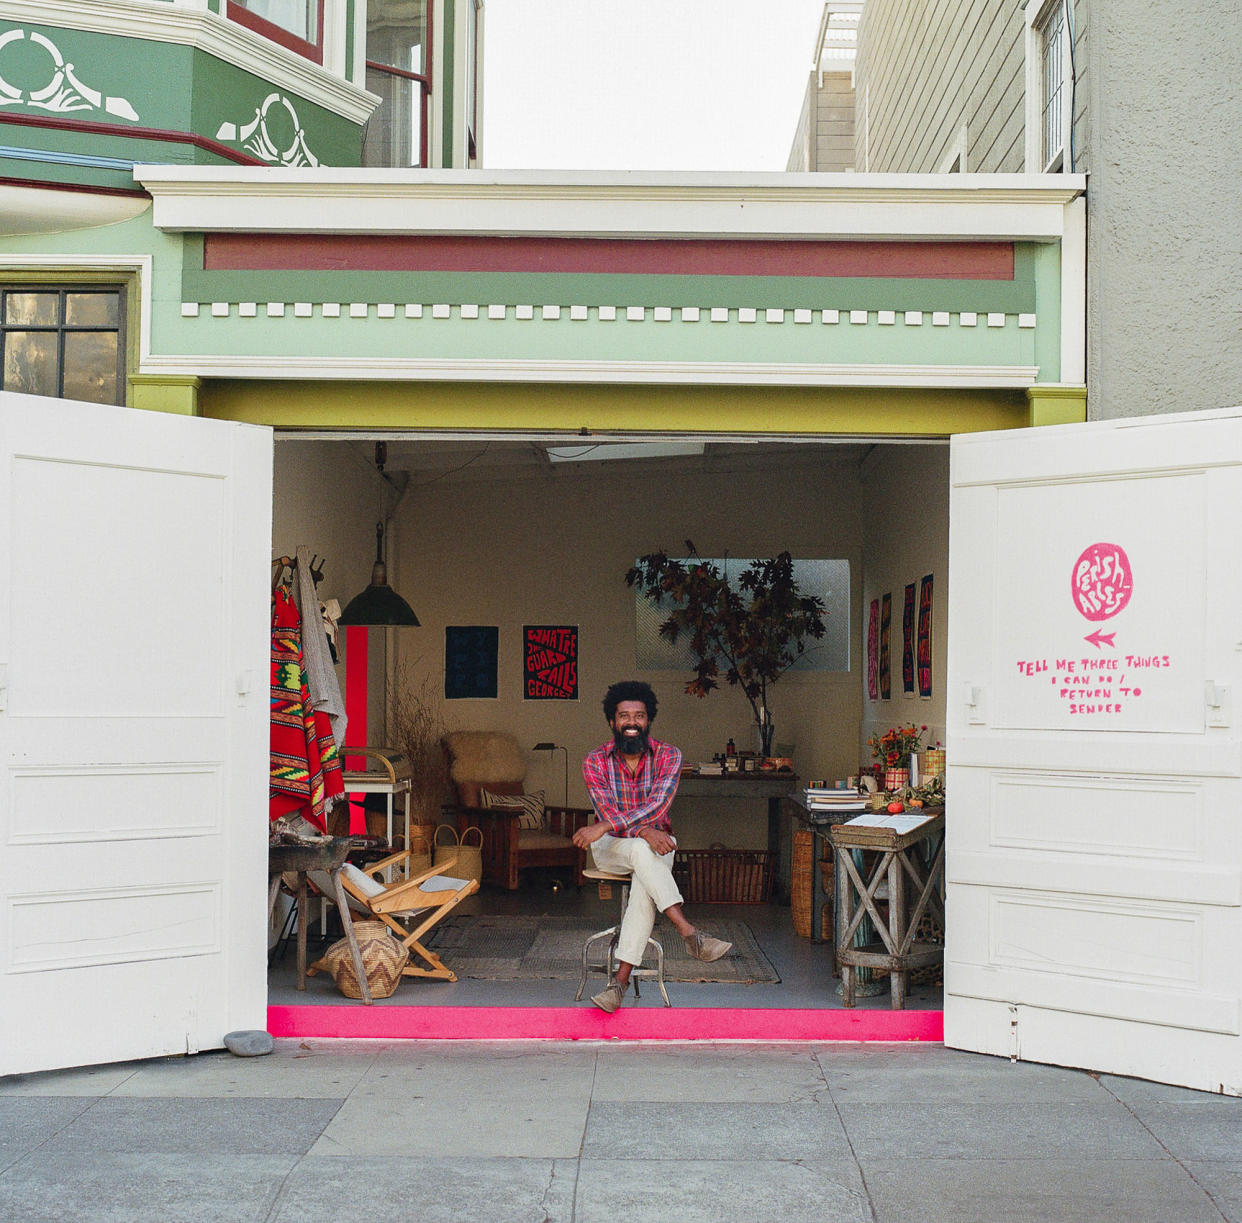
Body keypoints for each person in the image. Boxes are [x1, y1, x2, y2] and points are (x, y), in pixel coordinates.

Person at [574, 680, 732, 1013]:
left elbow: (658, 805)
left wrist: (611, 825)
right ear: (612, 721)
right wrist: (636, 828)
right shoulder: (595, 761)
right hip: (612, 848)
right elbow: (608, 811)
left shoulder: (669, 755)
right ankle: (688, 931)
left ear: (649, 721)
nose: (631, 723)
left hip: (655, 845)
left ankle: (617, 985)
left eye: (639, 716)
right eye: (624, 716)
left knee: (644, 878)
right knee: (642, 852)